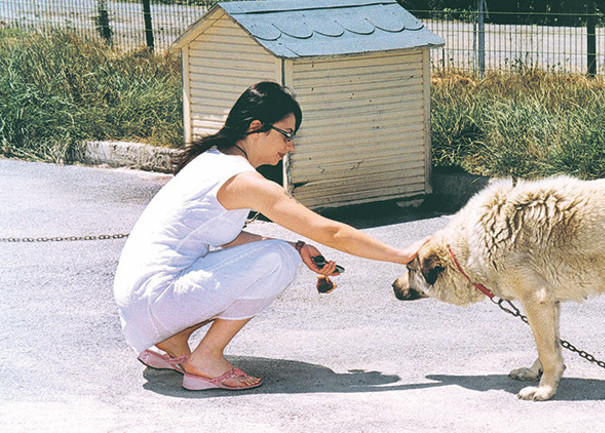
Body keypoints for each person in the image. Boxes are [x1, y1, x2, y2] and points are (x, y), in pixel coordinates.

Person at [114, 81, 424, 391]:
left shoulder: (213, 159)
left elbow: (229, 238)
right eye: (287, 135)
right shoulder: (243, 180)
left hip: (141, 311)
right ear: (256, 127)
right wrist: (402, 255)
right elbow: (331, 231)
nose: (291, 146)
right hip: (153, 304)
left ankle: (172, 341)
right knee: (279, 261)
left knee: (283, 252)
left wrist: (297, 246)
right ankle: (205, 359)